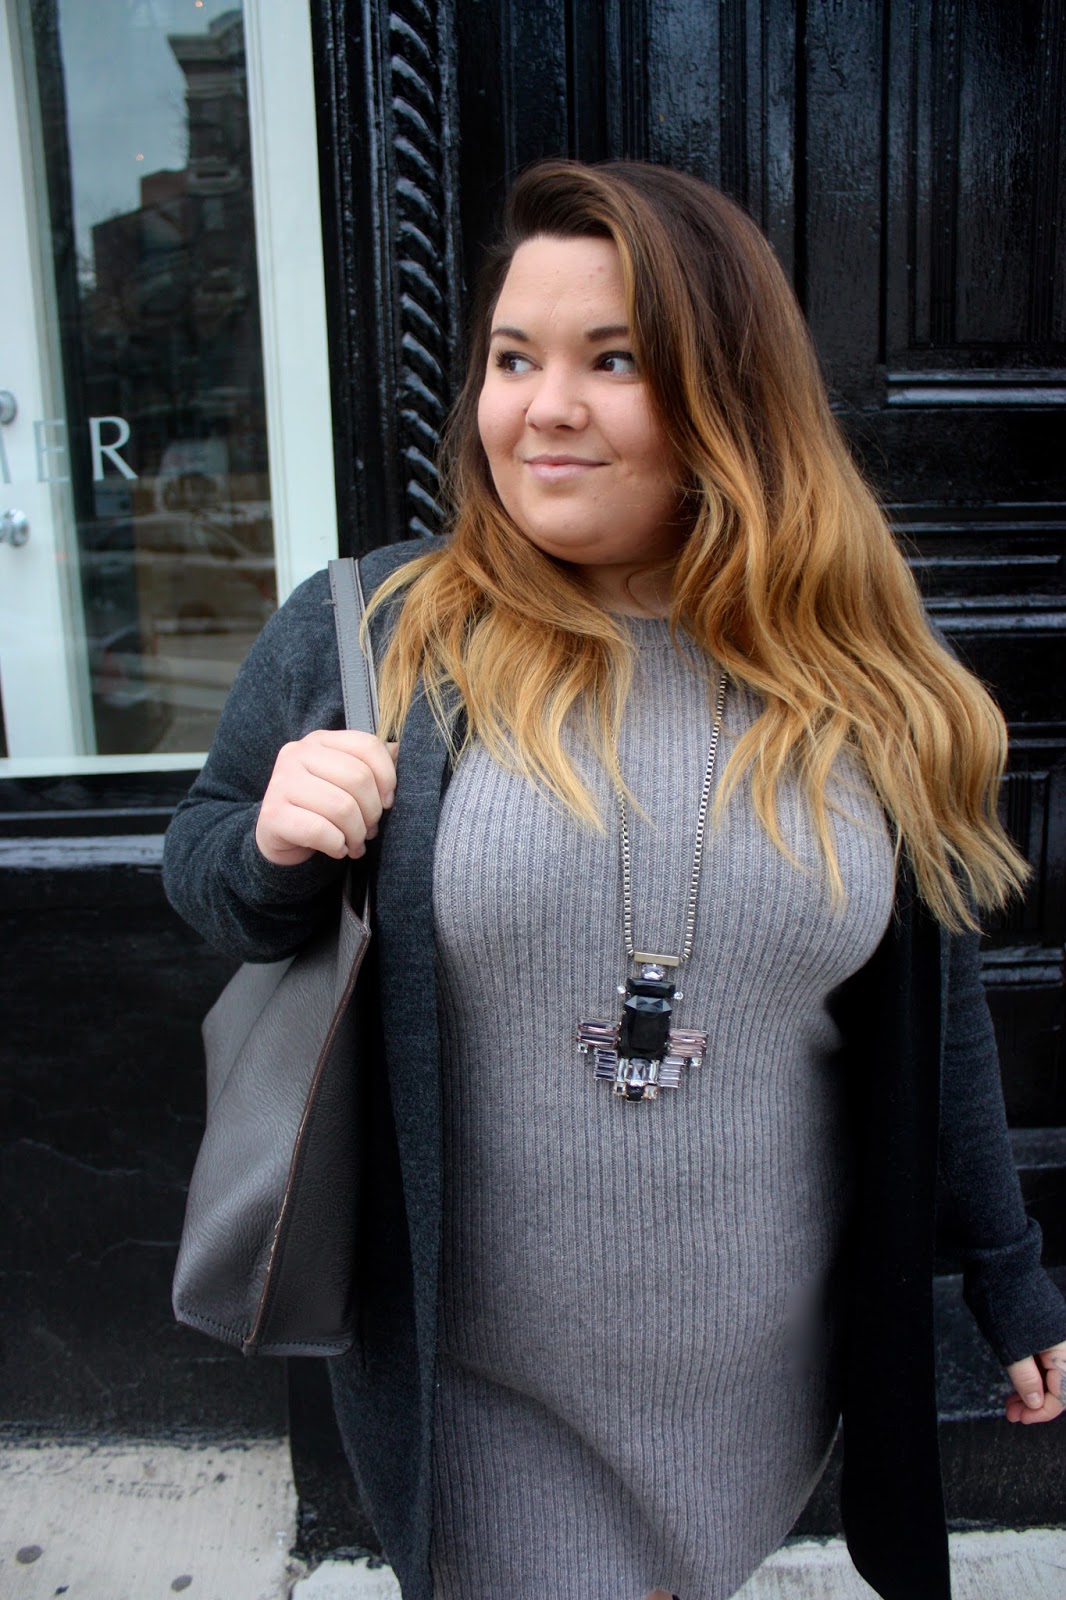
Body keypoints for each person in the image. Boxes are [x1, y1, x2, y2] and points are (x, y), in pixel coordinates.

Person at [162, 160, 1066, 1600]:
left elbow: (934, 1021)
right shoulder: (378, 635)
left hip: (755, 1376)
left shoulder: (860, 686)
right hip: (480, 1382)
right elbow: (205, 871)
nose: (543, 408)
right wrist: (269, 841)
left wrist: (1006, 1271)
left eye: (614, 360)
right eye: (514, 359)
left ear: (731, 396)